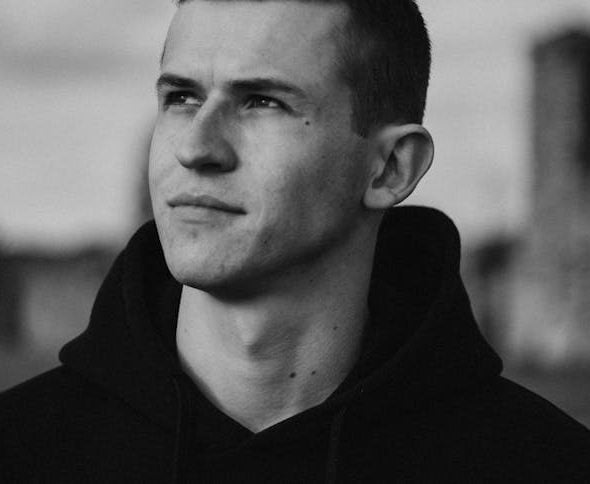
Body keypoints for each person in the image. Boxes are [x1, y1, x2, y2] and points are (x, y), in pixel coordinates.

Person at [2, 0, 590, 482]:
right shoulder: (21, 450)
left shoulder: (547, 465)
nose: (195, 147)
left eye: (263, 102)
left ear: (390, 167)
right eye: (181, 97)